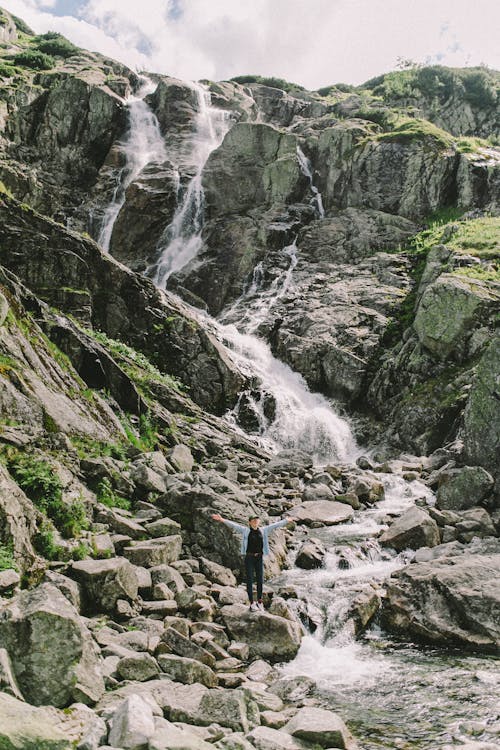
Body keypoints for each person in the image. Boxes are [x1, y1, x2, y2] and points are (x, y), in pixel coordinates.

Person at [211, 512, 295, 612]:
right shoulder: (246, 531)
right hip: (249, 558)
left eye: (257, 520)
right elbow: (234, 525)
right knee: (250, 580)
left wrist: (286, 521)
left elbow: (275, 525)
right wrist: (222, 519)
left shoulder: (263, 530)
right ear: (250, 522)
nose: (256, 521)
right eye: (254, 520)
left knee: (260, 580)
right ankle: (251, 603)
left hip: (259, 558)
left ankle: (260, 601)